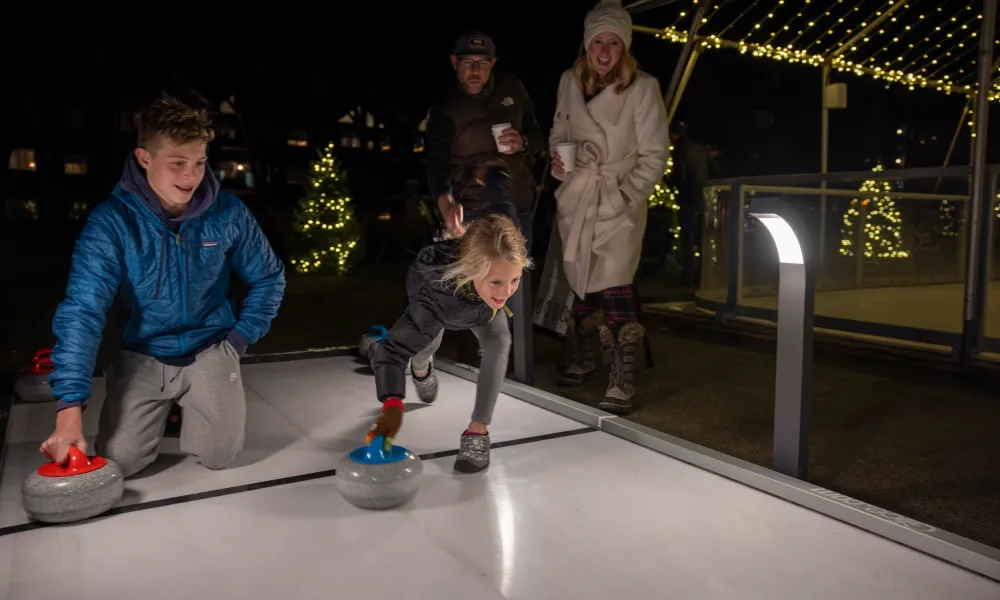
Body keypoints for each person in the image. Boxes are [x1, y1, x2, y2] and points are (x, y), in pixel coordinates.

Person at [41, 98, 286, 477]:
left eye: (200, 163)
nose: (192, 176)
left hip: (210, 345)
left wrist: (238, 340)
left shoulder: (229, 213)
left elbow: (269, 277)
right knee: (120, 462)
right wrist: (69, 410)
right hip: (142, 352)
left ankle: (193, 400)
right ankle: (164, 406)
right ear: (144, 158)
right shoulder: (111, 223)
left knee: (220, 456)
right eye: (177, 163)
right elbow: (82, 310)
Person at [548, 0, 669, 413]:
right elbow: (558, 131)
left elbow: (656, 155)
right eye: (597, 41)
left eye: (613, 43)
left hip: (618, 198)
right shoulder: (569, 80)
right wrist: (558, 162)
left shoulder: (643, 87)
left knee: (615, 282)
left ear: (624, 47)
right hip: (579, 194)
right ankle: (582, 356)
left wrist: (625, 194)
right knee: (581, 278)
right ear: (586, 44)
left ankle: (622, 374)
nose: (603, 51)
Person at [368, 214, 531, 473]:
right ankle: (422, 369)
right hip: (442, 304)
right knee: (426, 345)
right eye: (497, 283)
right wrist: (392, 404)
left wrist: (495, 287)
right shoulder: (433, 295)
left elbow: (498, 276)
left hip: (480, 305)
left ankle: (477, 431)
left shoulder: (497, 274)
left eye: (514, 280)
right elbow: (392, 352)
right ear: (472, 269)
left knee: (499, 339)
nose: (506, 292)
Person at [425, 30, 544, 237]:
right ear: (454, 62)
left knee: (520, 269)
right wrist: (446, 203)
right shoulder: (445, 107)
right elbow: (436, 164)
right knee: (478, 270)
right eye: (467, 62)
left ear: (493, 63)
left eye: (482, 63)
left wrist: (522, 142)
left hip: (519, 203)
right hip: (473, 210)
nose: (475, 71)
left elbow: (537, 135)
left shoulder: (512, 87)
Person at [668, 121, 717, 286]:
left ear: (672, 134)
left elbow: (680, 175)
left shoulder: (679, 149)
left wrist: (670, 181)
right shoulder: (700, 148)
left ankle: (687, 275)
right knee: (700, 237)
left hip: (688, 197)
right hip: (702, 197)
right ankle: (703, 274)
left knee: (687, 237)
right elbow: (716, 168)